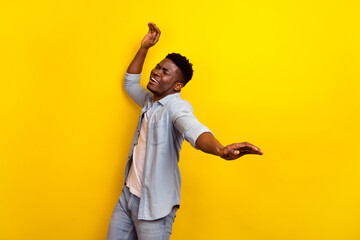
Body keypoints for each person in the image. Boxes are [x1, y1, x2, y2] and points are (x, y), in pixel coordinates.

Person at [106, 22, 263, 240]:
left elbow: (194, 130)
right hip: (128, 197)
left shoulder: (175, 107)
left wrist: (220, 149)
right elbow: (130, 82)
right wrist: (144, 48)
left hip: (154, 209)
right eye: (158, 67)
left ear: (177, 86)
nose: (156, 72)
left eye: (165, 72)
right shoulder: (150, 101)